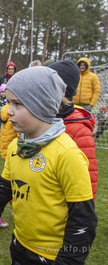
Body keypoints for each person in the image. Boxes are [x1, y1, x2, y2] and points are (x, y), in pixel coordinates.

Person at [0, 66, 97, 264]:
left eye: (17, 104)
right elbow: (3, 189)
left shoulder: (67, 154)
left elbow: (83, 221)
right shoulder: (16, 146)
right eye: (9, 102)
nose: (8, 111)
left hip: (51, 256)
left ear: (42, 105)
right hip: (19, 246)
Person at [49, 60, 99, 200]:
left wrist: (82, 213)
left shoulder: (79, 130)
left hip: (63, 206)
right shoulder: (41, 119)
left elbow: (87, 175)